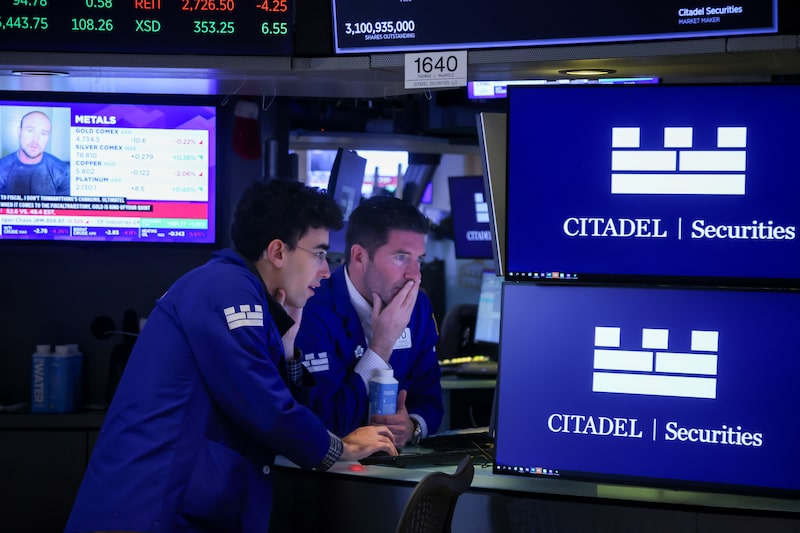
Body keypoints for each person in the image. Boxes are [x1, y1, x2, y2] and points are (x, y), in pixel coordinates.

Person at [65, 179, 397, 533]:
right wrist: (341, 448)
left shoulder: (245, 294)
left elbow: (275, 404)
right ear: (278, 252)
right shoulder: (226, 288)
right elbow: (265, 408)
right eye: (319, 254)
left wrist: (287, 351)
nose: (326, 271)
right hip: (152, 510)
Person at [296, 195, 444, 447]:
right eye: (401, 257)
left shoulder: (418, 306)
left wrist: (412, 427)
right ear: (360, 257)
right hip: (334, 466)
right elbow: (325, 424)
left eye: (419, 259)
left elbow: (430, 400)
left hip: (396, 462)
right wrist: (381, 347)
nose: (415, 275)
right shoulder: (311, 309)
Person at [0, 110, 70, 195]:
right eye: (30, 130)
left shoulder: (63, 172)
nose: (36, 140)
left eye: (43, 133)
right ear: (19, 132)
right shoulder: (2, 169)